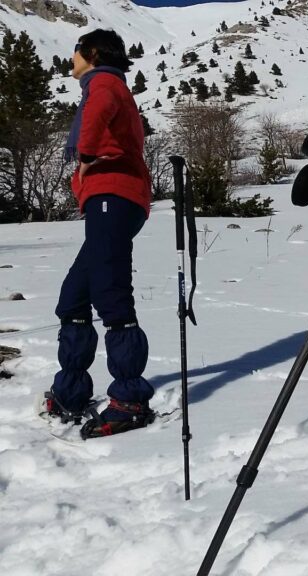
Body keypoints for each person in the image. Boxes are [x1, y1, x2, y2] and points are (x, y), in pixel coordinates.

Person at [44, 29, 155, 439]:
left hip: (115, 194)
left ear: (91, 53)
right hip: (108, 197)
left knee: (110, 292)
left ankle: (129, 401)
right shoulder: (104, 83)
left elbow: (99, 113)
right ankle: (70, 391)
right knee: (74, 297)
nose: (70, 58)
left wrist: (87, 156)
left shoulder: (104, 83)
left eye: (74, 50)